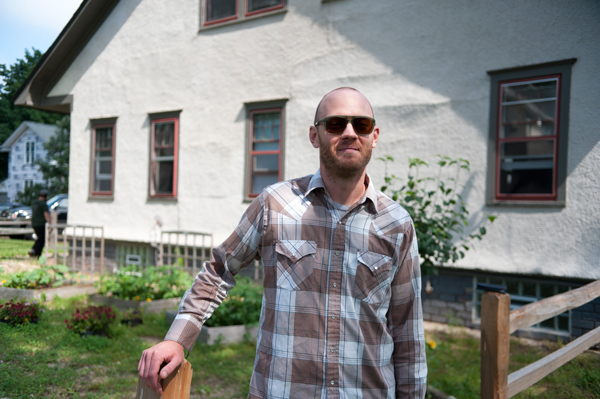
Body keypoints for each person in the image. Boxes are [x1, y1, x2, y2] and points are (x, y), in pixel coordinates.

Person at [139, 87, 427, 398]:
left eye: (361, 125)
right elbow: (219, 270)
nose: (349, 133)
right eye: (335, 124)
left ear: (374, 135)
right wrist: (177, 339)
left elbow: (407, 333)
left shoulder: (396, 225)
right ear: (314, 136)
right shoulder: (274, 205)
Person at [28, 189, 51, 258]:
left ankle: (33, 251)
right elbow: (46, 214)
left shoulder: (35, 203)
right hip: (41, 224)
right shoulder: (43, 204)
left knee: (39, 238)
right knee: (42, 239)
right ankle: (36, 253)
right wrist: (50, 223)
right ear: (46, 196)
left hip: (34, 223)